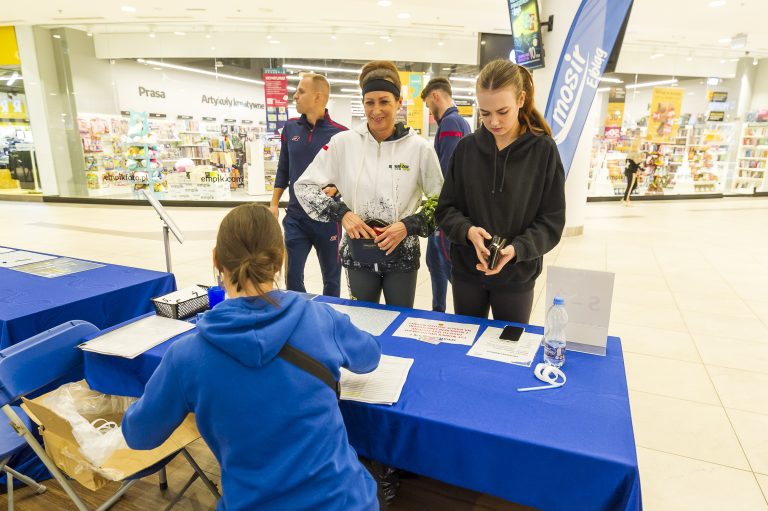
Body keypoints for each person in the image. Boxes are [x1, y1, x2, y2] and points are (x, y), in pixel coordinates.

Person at [122, 204, 381, 511]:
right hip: (346, 501)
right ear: (280, 258)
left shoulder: (186, 356)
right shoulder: (321, 319)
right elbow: (370, 357)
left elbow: (139, 435)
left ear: (216, 259)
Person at [295, 60, 443, 308]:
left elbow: (442, 201)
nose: (376, 110)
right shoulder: (343, 143)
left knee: (399, 323)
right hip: (357, 254)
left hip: (402, 256)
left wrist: (408, 226)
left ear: (398, 103)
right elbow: (303, 187)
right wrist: (342, 214)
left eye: (384, 101)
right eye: (369, 102)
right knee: (362, 324)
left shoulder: (420, 148)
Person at [435, 59, 565, 324]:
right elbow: (446, 210)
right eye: (484, 113)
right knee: (466, 348)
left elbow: (552, 220)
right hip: (466, 273)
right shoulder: (466, 149)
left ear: (521, 99)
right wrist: (468, 231)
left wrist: (517, 249)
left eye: (502, 111)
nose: (493, 121)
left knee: (509, 350)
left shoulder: (543, 150)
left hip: (517, 276)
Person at [270, 73, 347, 297]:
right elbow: (283, 168)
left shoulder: (341, 134)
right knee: (292, 279)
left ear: (317, 96)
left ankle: (329, 320)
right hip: (296, 217)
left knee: (331, 279)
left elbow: (349, 174)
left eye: (300, 91)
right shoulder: (290, 129)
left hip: (328, 218)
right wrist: (274, 204)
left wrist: (338, 188)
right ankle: (299, 317)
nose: (295, 96)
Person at [420, 77, 472, 312]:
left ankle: (466, 310)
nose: (429, 111)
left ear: (435, 96)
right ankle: (437, 309)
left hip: (445, 211)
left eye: (428, 105)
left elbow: (445, 173)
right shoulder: (462, 123)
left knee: (445, 261)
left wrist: (438, 209)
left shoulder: (451, 123)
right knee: (433, 261)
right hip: (448, 210)